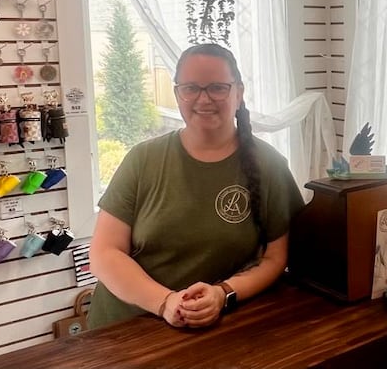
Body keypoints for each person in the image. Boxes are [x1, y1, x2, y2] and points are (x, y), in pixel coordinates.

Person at [87, 43, 305, 329]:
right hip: (124, 329)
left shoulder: (269, 165)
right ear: (178, 93)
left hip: (215, 332)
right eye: (190, 88)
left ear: (238, 93)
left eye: (217, 87)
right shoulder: (143, 160)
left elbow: (276, 257)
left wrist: (222, 293)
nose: (203, 99)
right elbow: (104, 253)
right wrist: (165, 301)